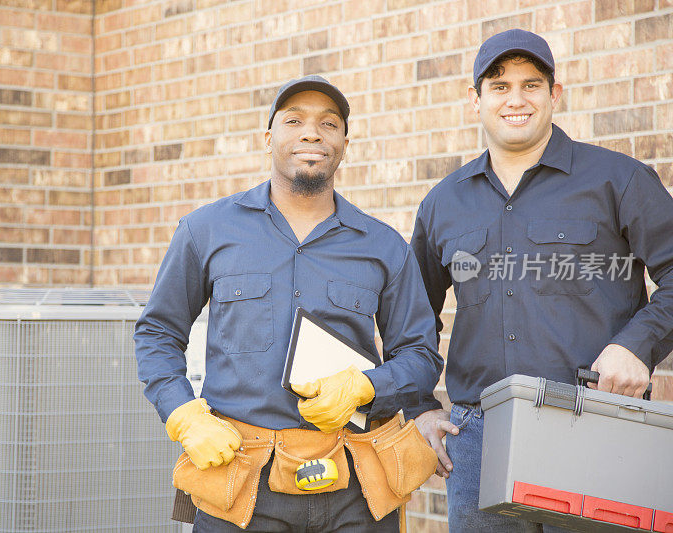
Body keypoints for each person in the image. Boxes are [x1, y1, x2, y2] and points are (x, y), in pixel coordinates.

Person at [134, 75, 443, 531]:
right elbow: (157, 332)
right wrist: (182, 415)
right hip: (240, 481)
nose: (311, 133)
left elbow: (420, 356)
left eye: (329, 124)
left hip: (355, 489)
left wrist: (367, 387)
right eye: (293, 120)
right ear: (268, 138)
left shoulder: (383, 246)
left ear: (344, 143)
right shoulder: (206, 231)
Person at [410, 29, 673, 532]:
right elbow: (411, 316)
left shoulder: (617, 180)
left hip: (593, 428)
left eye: (531, 85)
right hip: (479, 442)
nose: (516, 99)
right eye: (499, 85)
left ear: (555, 94)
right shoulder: (443, 202)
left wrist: (637, 347)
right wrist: (418, 406)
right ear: (476, 99)